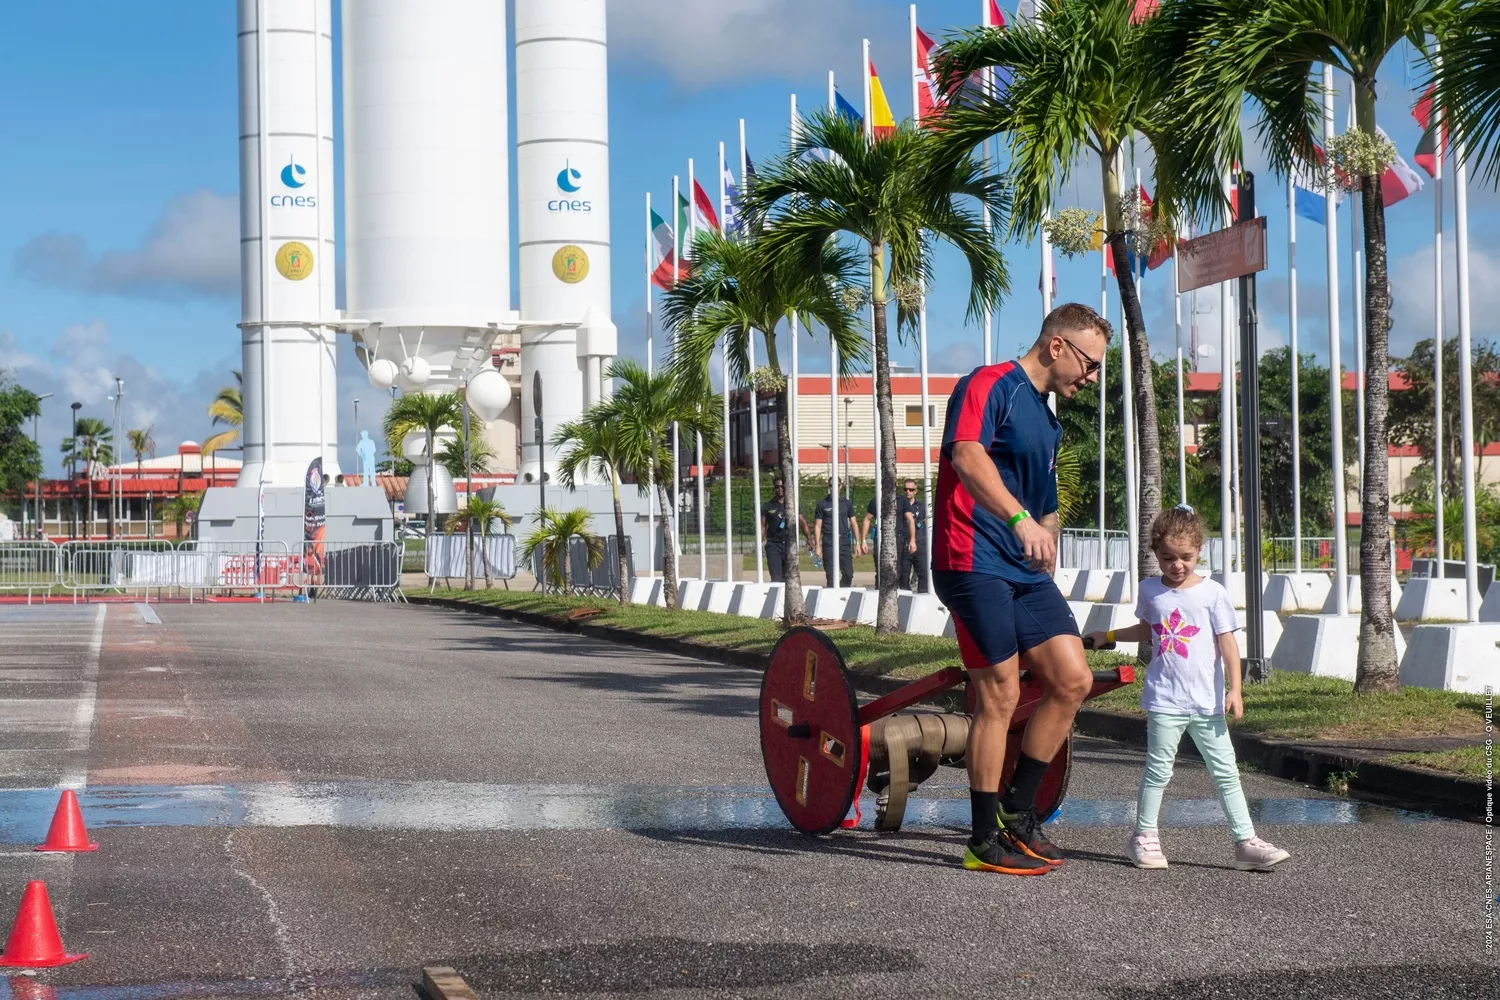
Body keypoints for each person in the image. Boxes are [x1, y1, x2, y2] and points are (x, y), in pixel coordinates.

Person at [933, 302, 1109, 877]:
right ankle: (982, 841)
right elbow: (967, 455)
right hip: (971, 559)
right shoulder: (989, 385)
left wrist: (1047, 534)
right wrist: (1018, 521)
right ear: (1057, 346)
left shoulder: (1049, 419)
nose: (1092, 377)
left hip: (1024, 569)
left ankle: (1018, 811)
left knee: (1072, 679)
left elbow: (1048, 505)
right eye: (1090, 363)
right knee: (1000, 696)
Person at [1085, 505, 1292, 872]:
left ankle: (1245, 842)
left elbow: (1228, 643)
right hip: (1165, 698)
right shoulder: (1150, 590)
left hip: (1207, 702)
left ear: (1200, 551)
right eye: (1167, 558)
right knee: (1158, 770)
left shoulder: (1212, 593)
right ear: (1156, 555)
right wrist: (1110, 636)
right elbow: (1150, 629)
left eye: (1185, 557)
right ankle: (1144, 838)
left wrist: (1235, 689)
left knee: (1226, 771)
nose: (1176, 565)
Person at [812, 479, 856, 587]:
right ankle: (832, 595)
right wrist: (817, 546)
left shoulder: (846, 503)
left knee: (848, 573)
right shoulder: (822, 504)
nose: (833, 488)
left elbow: (854, 523)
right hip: (829, 541)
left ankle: (843, 590)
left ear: (840, 486)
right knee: (831, 574)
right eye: (831, 485)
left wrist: (859, 543)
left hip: (843, 540)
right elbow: (818, 526)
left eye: (836, 485)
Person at [900, 479, 929, 593]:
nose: (908, 492)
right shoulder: (899, 506)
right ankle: (905, 599)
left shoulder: (921, 507)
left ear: (915, 491)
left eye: (911, 489)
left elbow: (927, 522)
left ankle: (922, 599)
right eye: (905, 489)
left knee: (923, 575)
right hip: (904, 544)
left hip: (920, 543)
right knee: (903, 576)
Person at [762, 479, 790, 582]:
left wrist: (809, 539)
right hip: (773, 544)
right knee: (776, 577)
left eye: (782, 487)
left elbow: (802, 522)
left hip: (788, 545)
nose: (780, 489)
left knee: (789, 577)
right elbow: (763, 526)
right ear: (774, 489)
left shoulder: (791, 505)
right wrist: (760, 543)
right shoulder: (767, 506)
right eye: (777, 487)